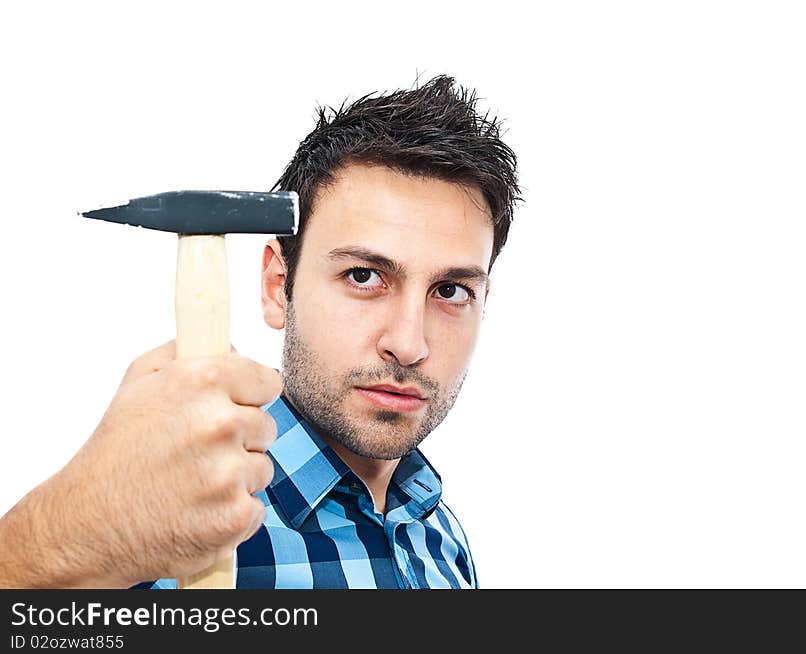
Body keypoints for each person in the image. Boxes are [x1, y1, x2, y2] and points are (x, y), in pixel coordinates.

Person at [0, 74, 521, 589]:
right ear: (278, 285)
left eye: (451, 291)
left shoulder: (439, 539)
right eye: (363, 276)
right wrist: (58, 538)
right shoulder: (154, 545)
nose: (409, 344)